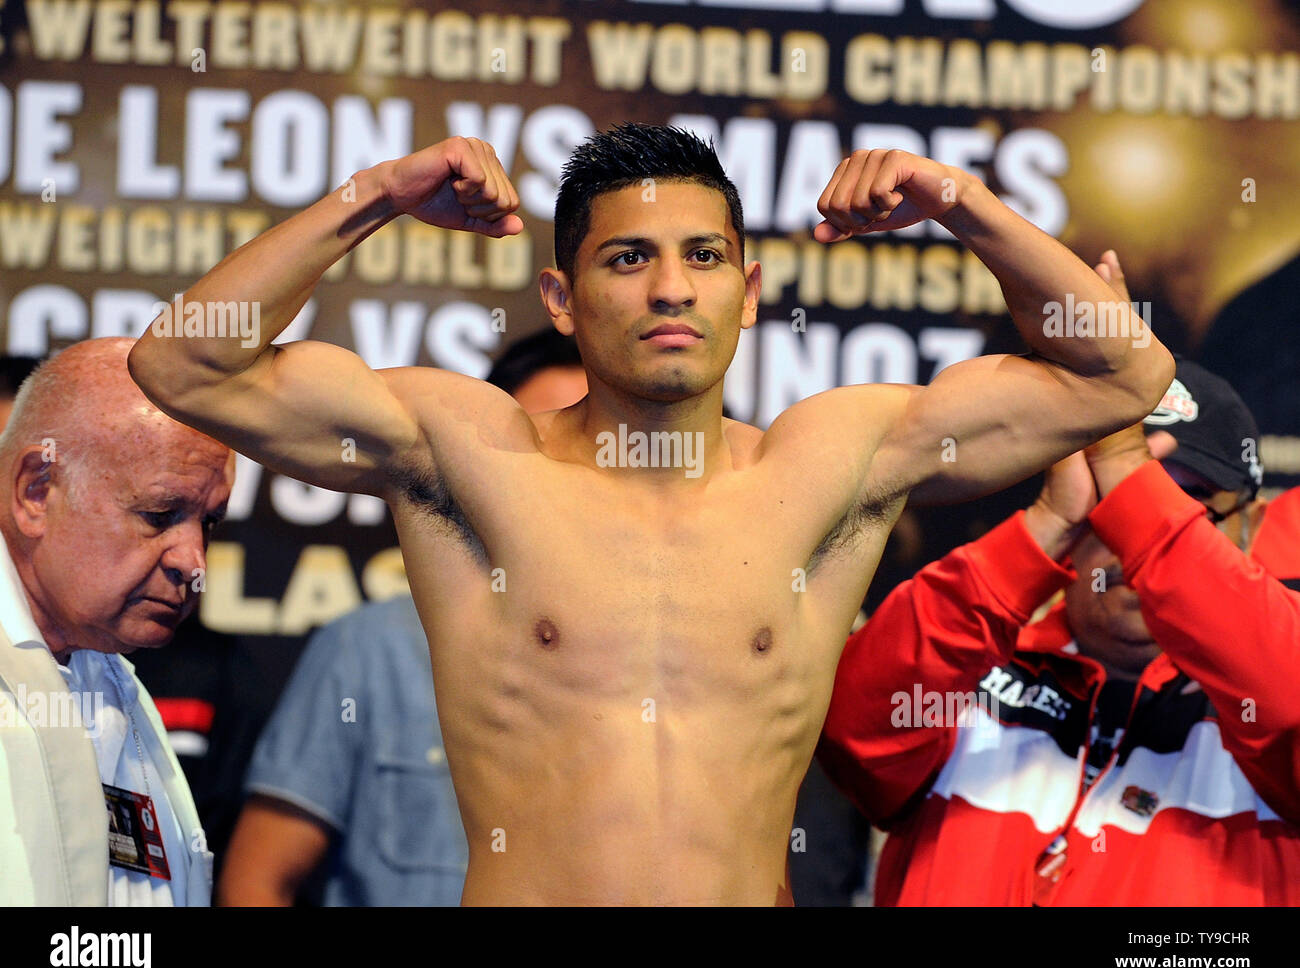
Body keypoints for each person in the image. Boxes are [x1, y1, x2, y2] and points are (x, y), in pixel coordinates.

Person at [128, 125, 1172, 905]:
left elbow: (1124, 375)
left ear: (749, 291)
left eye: (703, 257)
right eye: (627, 259)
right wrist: (375, 194)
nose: (671, 289)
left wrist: (961, 200)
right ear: (560, 297)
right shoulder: (470, 454)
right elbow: (184, 364)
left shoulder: (834, 464)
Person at [818, 347, 1300, 905]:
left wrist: (1127, 473)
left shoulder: (1265, 699)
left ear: (1252, 523)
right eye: (1107, 495)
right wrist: (1044, 527)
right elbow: (851, 731)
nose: (1132, 531)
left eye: (1185, 500)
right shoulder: (971, 665)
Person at [219, 329, 586, 906]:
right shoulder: (369, 650)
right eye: (540, 449)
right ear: (473, 470)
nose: (567, 481)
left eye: (595, 451)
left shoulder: (703, 658)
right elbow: (258, 882)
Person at [0, 338, 234, 905]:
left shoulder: (112, 678)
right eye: (160, 515)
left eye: (208, 523)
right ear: (37, 491)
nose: (193, 561)